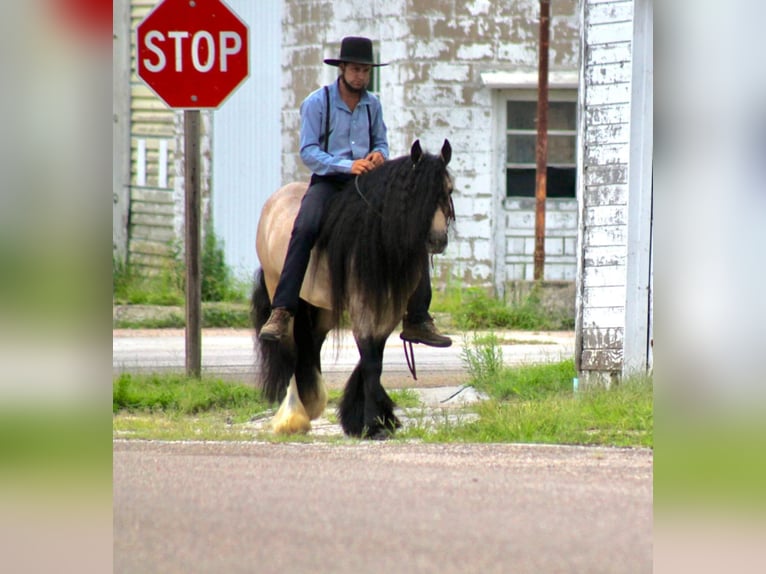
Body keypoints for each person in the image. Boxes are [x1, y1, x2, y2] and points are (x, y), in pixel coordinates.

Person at [260, 36, 451, 348]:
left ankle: (417, 317)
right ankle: (282, 309)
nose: (361, 76)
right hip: (329, 182)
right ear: (343, 69)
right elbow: (308, 152)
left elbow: (381, 142)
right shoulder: (317, 103)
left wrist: (378, 154)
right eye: (356, 70)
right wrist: (345, 165)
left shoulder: (372, 105)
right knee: (305, 227)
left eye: (365, 71)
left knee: (411, 228)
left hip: (367, 183)